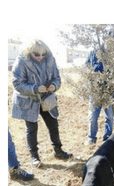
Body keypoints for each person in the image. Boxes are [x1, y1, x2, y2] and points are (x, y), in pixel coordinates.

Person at [11, 39, 72, 167]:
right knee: (32, 128)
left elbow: (57, 78)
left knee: (53, 125)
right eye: (36, 55)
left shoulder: (50, 59)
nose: (40, 57)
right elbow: (17, 83)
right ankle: (34, 157)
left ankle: (58, 151)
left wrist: (54, 86)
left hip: (46, 98)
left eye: (43, 54)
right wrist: (34, 88)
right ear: (30, 52)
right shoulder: (21, 61)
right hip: (29, 100)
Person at [85, 50, 114, 144]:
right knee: (93, 117)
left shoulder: (112, 53)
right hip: (95, 92)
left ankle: (108, 138)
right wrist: (91, 73)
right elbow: (86, 67)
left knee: (109, 117)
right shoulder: (92, 53)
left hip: (108, 92)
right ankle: (91, 138)